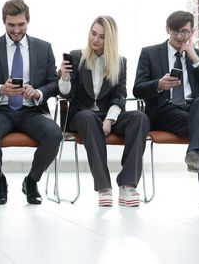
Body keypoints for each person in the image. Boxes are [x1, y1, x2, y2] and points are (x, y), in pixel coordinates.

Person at [0, 0, 62, 205]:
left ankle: (31, 181)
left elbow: (54, 84)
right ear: (4, 22)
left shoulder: (44, 48)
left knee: (55, 134)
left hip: (31, 111)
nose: (16, 30)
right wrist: (1, 89)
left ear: (28, 21)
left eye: (21, 24)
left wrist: (37, 92)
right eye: (11, 25)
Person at [133, 10, 199, 206]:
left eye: (186, 32)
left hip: (191, 110)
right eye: (176, 31)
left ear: (193, 32)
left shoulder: (198, 56)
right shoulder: (149, 53)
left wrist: (194, 59)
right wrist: (159, 84)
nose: (181, 37)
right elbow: (137, 89)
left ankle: (195, 153)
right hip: (163, 111)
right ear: (167, 30)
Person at [59, 16, 149, 207]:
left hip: (108, 116)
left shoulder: (120, 62)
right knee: (87, 117)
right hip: (81, 115)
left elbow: (120, 96)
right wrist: (65, 78)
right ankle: (103, 187)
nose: (95, 39)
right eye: (93, 33)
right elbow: (67, 95)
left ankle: (127, 186)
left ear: (110, 40)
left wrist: (109, 119)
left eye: (101, 36)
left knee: (140, 118)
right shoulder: (76, 57)